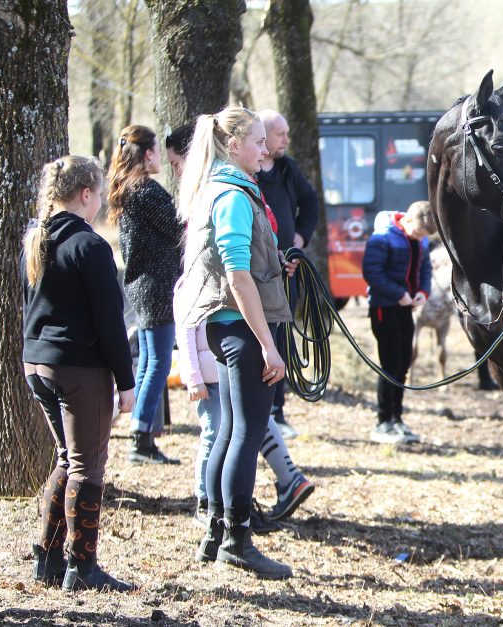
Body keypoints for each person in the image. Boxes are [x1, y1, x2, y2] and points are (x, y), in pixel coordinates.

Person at [169, 122, 315, 530]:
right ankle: (237, 537)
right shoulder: (233, 195)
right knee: (246, 436)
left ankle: (217, 531)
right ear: (234, 145)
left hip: (230, 324)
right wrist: (268, 345)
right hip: (242, 326)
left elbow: (242, 263)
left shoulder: (219, 188)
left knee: (232, 431)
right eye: (258, 141)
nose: (265, 150)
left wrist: (275, 265)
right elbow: (235, 275)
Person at [23, 156, 136, 592]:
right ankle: (81, 567)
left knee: (67, 460)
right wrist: (126, 382)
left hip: (38, 363)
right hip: (78, 369)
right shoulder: (89, 247)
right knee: (88, 467)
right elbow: (110, 320)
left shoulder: (36, 239)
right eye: (99, 197)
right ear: (85, 195)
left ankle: (48, 559)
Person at [107, 124, 183, 465]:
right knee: (159, 362)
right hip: (156, 286)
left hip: (142, 285)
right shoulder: (146, 191)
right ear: (149, 153)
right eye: (157, 152)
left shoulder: (129, 190)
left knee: (150, 360)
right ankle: (141, 439)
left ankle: (142, 427)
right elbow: (178, 226)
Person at [255, 109, 320, 440]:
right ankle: (260, 410)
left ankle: (277, 411)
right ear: (263, 136)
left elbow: (310, 203)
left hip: (287, 272)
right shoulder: (247, 174)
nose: (286, 139)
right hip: (255, 274)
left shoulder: (287, 169)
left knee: (280, 337)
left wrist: (300, 238)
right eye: (281, 134)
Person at [362, 200, 436, 444]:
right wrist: (398, 293)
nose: (419, 238)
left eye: (423, 236)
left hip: (406, 307)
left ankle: (397, 417)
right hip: (385, 307)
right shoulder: (382, 237)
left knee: (404, 361)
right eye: (417, 233)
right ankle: (383, 420)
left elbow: (425, 267)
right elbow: (372, 272)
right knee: (390, 364)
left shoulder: (421, 239)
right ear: (407, 221)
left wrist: (422, 291)